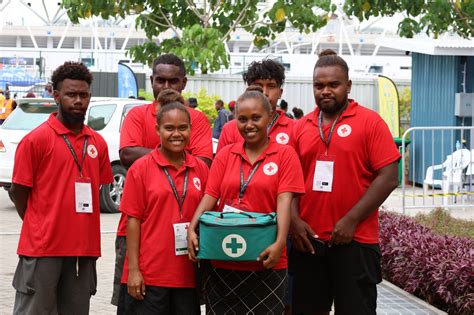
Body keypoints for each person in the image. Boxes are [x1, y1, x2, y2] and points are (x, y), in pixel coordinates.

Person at [289, 49, 400, 315]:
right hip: (309, 242)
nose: (325, 91)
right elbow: (289, 182)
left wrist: (351, 220)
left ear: (348, 86)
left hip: (356, 241)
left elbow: (389, 176)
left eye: (333, 84)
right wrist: (294, 221)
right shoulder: (301, 126)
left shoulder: (370, 123)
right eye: (319, 85)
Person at [187, 88, 305, 314]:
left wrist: (280, 243)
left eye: (255, 118)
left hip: (266, 258)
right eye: (242, 119)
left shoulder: (285, 155)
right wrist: (193, 228)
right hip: (222, 258)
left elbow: (284, 202)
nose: (249, 125)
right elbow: (210, 196)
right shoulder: (225, 154)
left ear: (269, 117)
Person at [8, 61, 113, 314]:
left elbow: (98, 188)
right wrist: (40, 223)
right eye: (71, 94)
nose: (78, 100)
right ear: (56, 95)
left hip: (83, 251)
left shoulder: (97, 143)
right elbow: (18, 192)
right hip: (43, 249)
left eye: (84, 95)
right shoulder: (35, 140)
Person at [111, 53, 213, 308]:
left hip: (185, 263)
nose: (166, 87)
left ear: (184, 82)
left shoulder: (198, 154)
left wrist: (173, 154)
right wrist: (164, 155)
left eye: (173, 81)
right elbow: (126, 154)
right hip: (146, 256)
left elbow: (205, 162)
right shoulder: (137, 123)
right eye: (160, 80)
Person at [216, 59, 295, 153]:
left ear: (280, 93)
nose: (264, 93)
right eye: (259, 85)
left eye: (271, 86)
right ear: (250, 90)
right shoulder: (230, 129)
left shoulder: (295, 129)